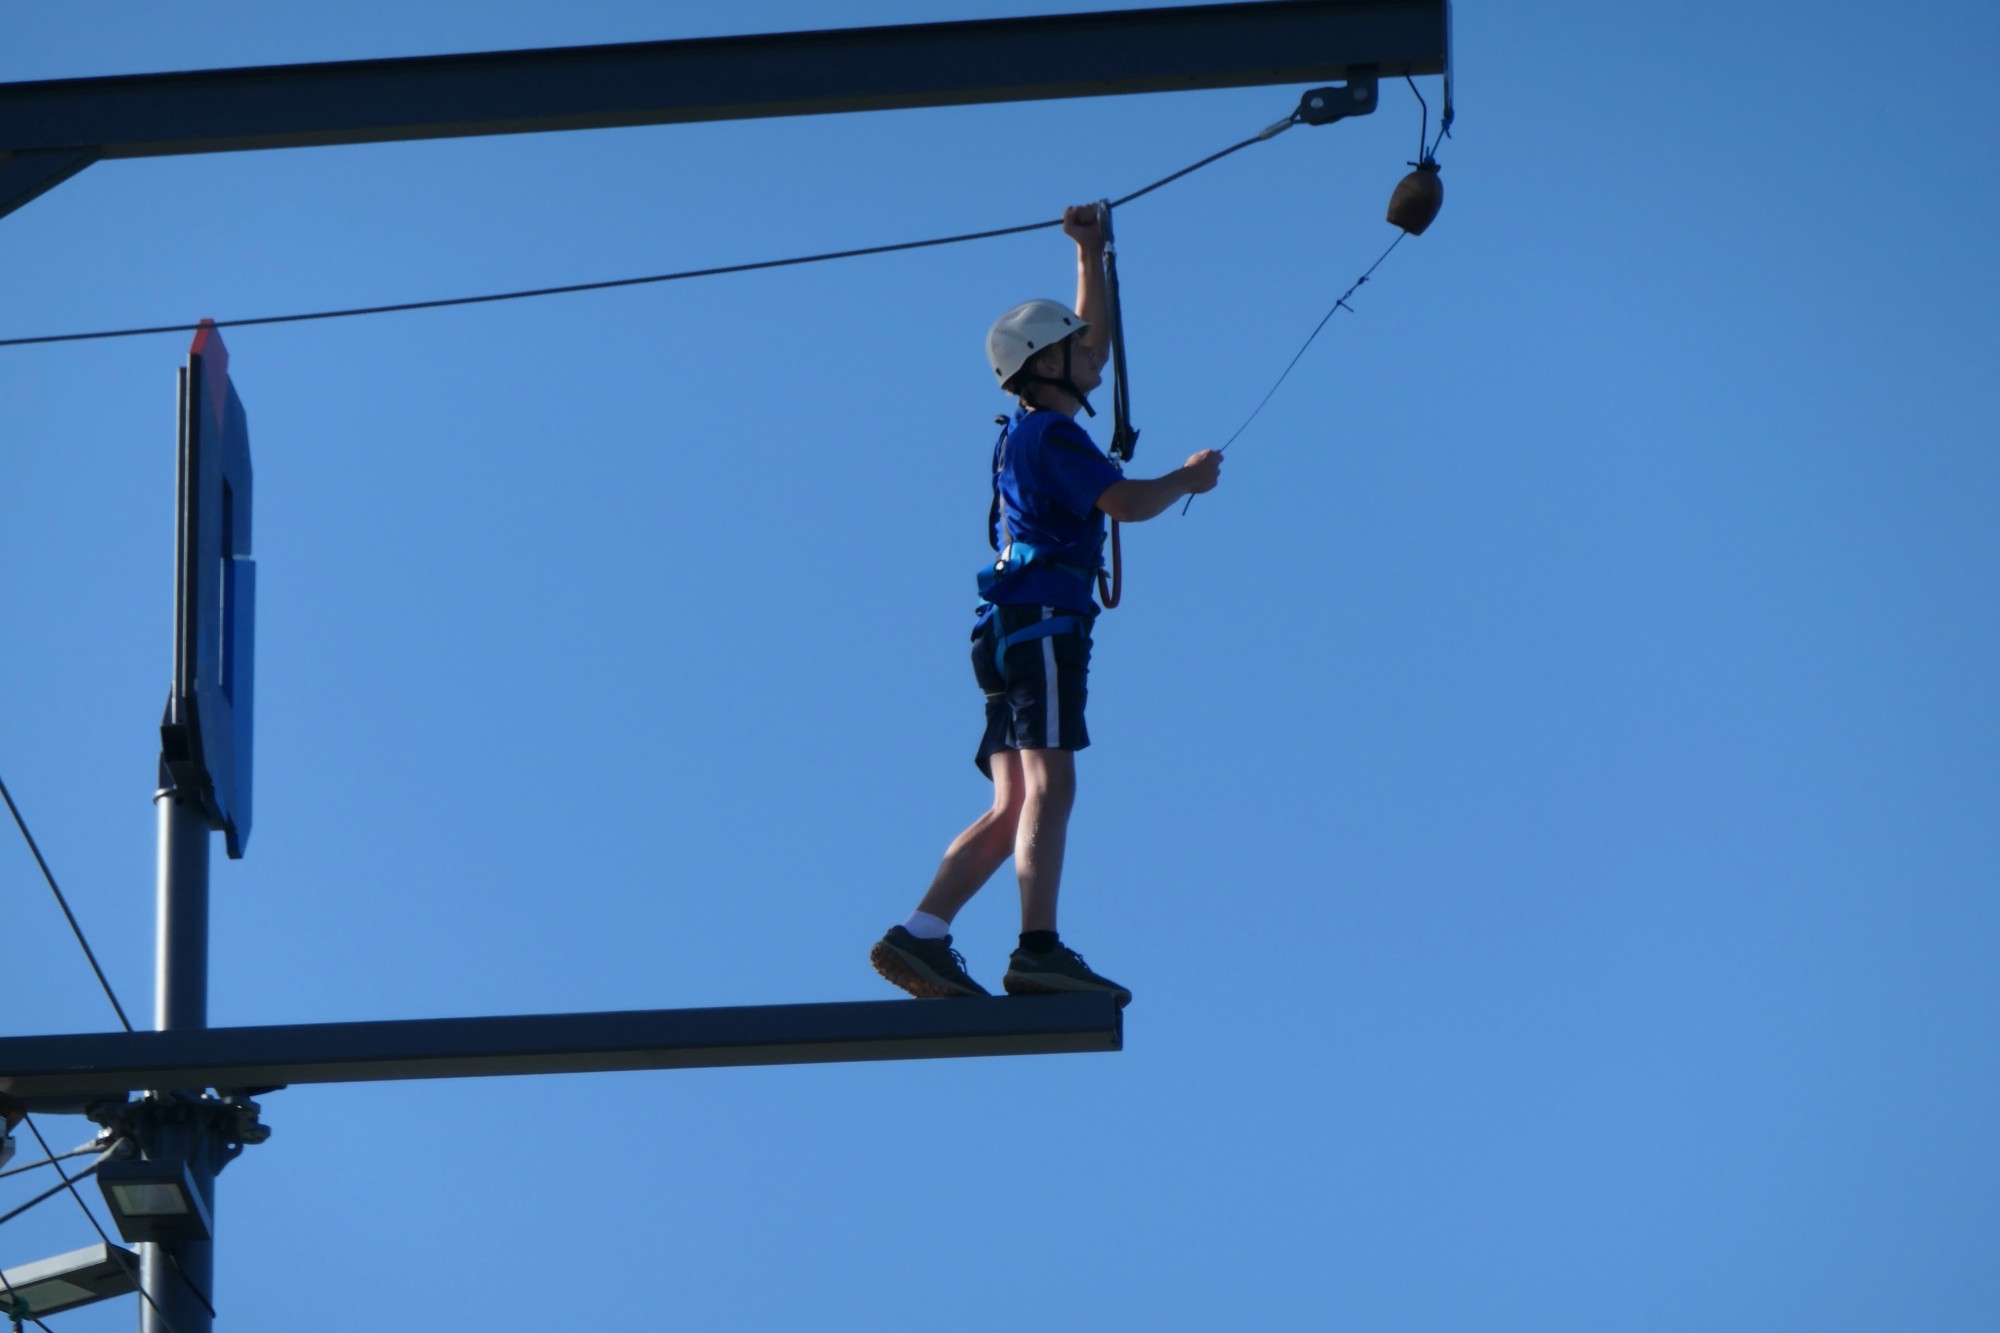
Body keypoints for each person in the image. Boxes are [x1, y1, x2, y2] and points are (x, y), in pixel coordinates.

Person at [870, 204, 1223, 1006]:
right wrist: (1187, 479)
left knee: (1014, 803)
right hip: (1043, 626)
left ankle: (921, 932)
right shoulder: (1053, 437)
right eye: (1073, 349)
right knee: (1051, 786)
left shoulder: (1025, 432)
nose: (1090, 354)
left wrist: (1089, 255)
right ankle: (1038, 949)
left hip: (1006, 630)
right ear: (1044, 366)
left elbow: (1092, 338)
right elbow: (1126, 504)